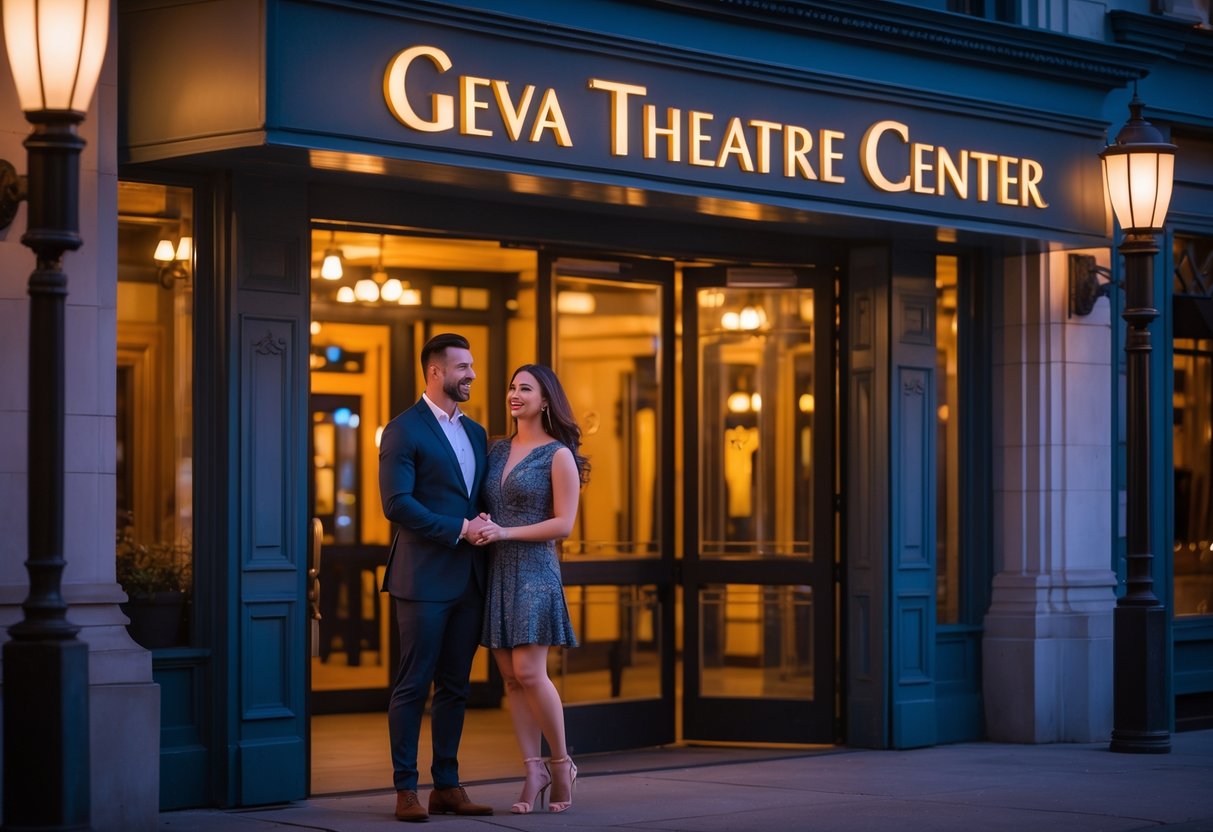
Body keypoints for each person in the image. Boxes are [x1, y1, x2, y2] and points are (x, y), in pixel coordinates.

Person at [377, 332, 494, 822]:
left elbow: (477, 498)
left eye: (471, 366)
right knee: (413, 684)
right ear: (435, 372)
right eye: (462, 367)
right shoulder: (403, 430)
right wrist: (461, 528)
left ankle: (446, 785)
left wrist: (486, 523)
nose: (471, 374)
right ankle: (406, 789)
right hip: (422, 579)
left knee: (456, 687)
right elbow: (396, 504)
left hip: (468, 580)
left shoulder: (478, 433)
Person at [475, 363, 590, 814]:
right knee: (510, 678)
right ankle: (532, 769)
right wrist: (486, 525)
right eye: (511, 387)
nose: (515, 394)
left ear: (546, 401)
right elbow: (484, 502)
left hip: (536, 570)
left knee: (529, 673)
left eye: (526, 388)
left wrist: (504, 532)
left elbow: (564, 524)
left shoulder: (558, 454)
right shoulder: (496, 449)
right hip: (499, 569)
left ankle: (562, 763)